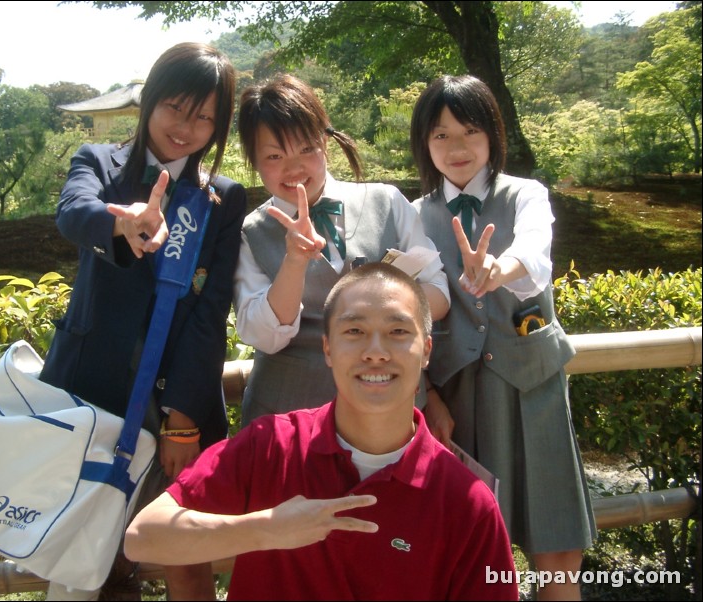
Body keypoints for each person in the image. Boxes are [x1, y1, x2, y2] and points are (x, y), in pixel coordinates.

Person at [124, 262, 518, 601]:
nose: (375, 351)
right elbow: (144, 536)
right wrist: (266, 529)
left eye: (398, 331)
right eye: (354, 331)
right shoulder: (271, 446)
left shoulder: (466, 502)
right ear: (327, 349)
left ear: (427, 349)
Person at [38, 42, 246, 601]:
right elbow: (72, 212)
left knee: (183, 553)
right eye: (176, 107)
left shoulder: (223, 200)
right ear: (150, 99)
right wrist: (119, 224)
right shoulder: (99, 163)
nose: (186, 127)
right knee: (81, 550)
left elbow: (211, 312)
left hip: (172, 407)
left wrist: (182, 416)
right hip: (88, 395)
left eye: (205, 117)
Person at [409, 74, 596, 601]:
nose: (457, 147)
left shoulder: (526, 196)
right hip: (457, 397)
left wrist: (499, 266)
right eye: (441, 135)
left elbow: (535, 254)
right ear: (425, 143)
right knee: (465, 553)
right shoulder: (416, 216)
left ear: (493, 133)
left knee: (555, 545)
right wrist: (429, 398)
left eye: (469, 131)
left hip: (531, 389)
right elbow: (409, 310)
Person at [233, 74, 450, 427]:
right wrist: (293, 263)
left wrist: (382, 301)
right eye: (274, 155)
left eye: (306, 149)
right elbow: (262, 335)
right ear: (254, 162)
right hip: (287, 419)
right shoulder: (249, 232)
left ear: (325, 144)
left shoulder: (387, 201)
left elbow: (439, 294)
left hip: (389, 413)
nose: (294, 168)